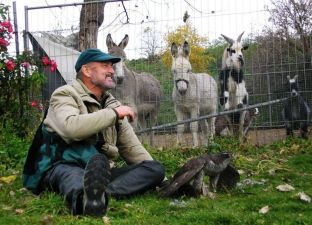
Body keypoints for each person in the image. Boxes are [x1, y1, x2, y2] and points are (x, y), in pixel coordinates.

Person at [22, 48, 165, 217]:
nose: (112, 70)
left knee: (155, 168)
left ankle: (100, 195)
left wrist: (163, 181)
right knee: (74, 179)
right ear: (87, 70)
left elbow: (132, 148)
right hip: (65, 165)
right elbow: (71, 128)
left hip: (100, 173)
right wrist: (114, 114)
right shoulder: (64, 95)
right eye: (105, 66)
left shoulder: (112, 104)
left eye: (112, 66)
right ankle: (84, 199)